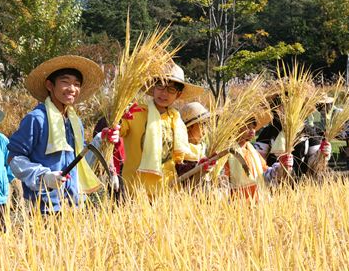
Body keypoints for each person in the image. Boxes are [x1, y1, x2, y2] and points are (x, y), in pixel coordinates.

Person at [7, 55, 106, 214]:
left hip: (74, 205)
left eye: (76, 84)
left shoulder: (75, 122)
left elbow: (79, 161)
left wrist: (101, 140)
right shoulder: (36, 119)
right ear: (49, 85)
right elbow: (14, 158)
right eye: (65, 82)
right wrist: (44, 177)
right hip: (44, 207)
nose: (72, 89)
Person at [115, 63, 207, 198]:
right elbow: (117, 130)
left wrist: (202, 162)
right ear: (153, 87)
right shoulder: (135, 112)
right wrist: (113, 128)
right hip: (134, 190)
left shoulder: (176, 121)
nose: (164, 93)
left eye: (171, 89)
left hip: (166, 192)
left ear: (178, 94)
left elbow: (182, 156)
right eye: (160, 86)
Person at [254, 94, 331, 180]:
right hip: (274, 184)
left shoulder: (308, 132)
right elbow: (258, 163)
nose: (289, 110)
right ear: (277, 108)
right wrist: (279, 169)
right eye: (284, 105)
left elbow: (314, 167)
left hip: (301, 185)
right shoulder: (269, 132)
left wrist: (321, 154)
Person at [219, 112, 292, 201]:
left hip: (258, 204)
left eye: (253, 127)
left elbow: (265, 174)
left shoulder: (252, 151)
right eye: (247, 127)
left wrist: (281, 166)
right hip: (238, 206)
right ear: (236, 128)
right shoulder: (226, 154)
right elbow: (222, 184)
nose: (252, 131)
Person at [175, 102, 212, 188]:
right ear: (189, 127)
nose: (205, 130)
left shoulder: (202, 149)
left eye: (206, 124)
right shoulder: (180, 152)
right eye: (202, 124)